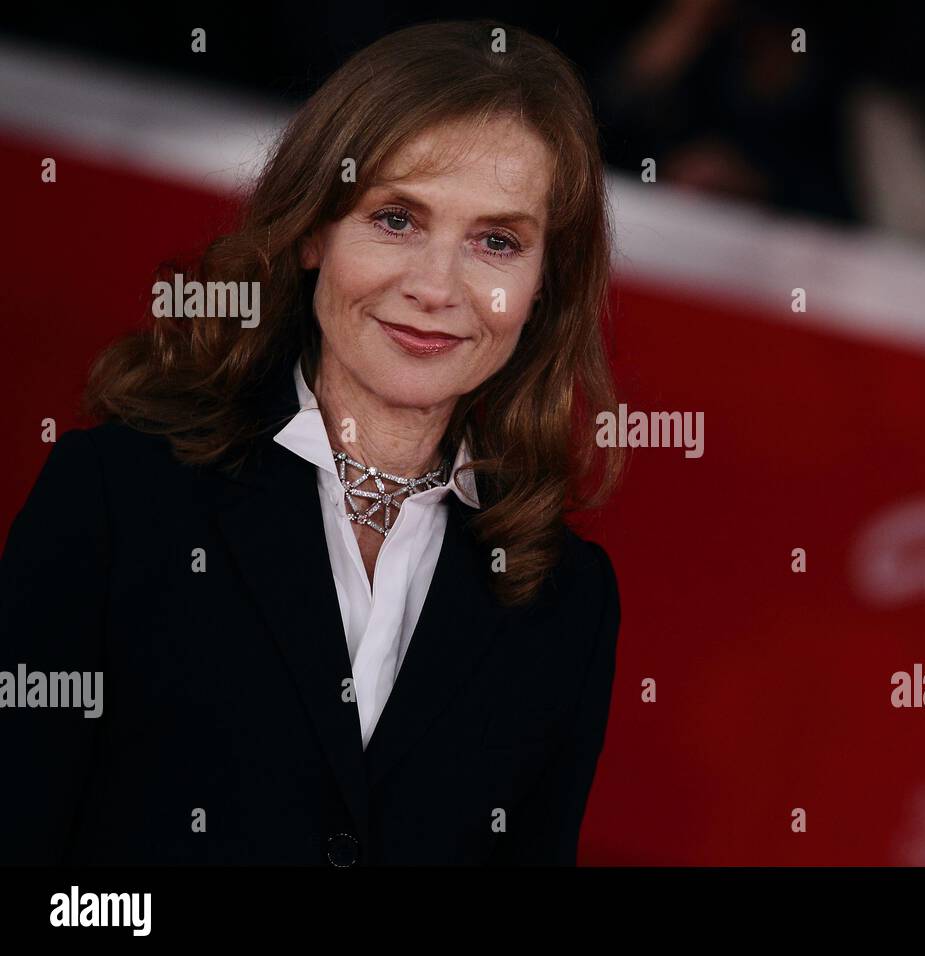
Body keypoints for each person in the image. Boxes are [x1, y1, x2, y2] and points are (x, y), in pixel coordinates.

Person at [0, 19, 625, 866]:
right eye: (397, 219)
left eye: (497, 242)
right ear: (312, 230)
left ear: (545, 286)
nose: (437, 287)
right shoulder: (117, 496)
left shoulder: (566, 601)